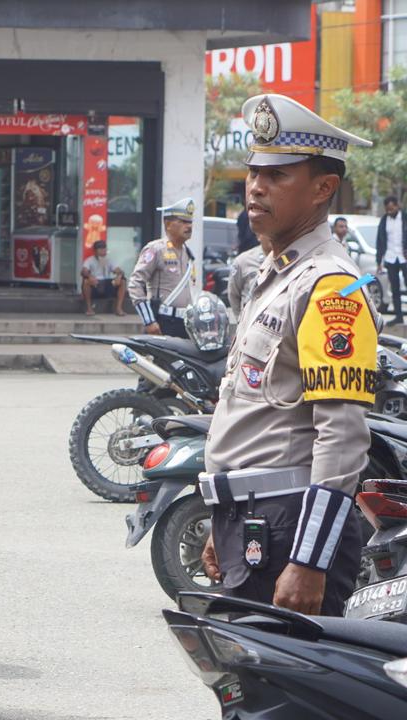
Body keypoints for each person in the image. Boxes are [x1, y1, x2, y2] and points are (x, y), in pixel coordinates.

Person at [201, 93, 377, 616]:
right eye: (254, 171)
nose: (256, 186)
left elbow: (341, 436)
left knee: (277, 669)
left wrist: (309, 560)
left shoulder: (330, 286)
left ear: (323, 188)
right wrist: (223, 518)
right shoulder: (275, 273)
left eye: (277, 175)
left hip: (290, 526)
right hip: (255, 519)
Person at [128, 197, 197, 338]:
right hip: (163, 321)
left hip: (185, 322)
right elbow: (135, 284)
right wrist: (149, 321)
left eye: (190, 222)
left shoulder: (187, 252)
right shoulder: (156, 249)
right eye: (183, 221)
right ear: (168, 224)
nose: (189, 226)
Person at [376, 196, 407, 324]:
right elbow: (380, 241)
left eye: (391, 208)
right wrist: (379, 261)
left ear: (397, 206)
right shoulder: (384, 220)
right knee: (394, 288)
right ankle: (398, 316)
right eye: (387, 209)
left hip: (404, 257)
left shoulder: (405, 218)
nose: (389, 211)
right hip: (390, 257)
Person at [80, 240, 126, 316]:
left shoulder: (109, 260)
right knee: (86, 281)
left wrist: (119, 276)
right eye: (100, 249)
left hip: (107, 284)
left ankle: (119, 309)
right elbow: (83, 271)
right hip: (95, 284)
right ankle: (89, 309)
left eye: (104, 249)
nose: (103, 251)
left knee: (122, 281)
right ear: (95, 251)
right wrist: (90, 276)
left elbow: (119, 270)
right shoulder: (89, 260)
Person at [226, 239, 270, 319]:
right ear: (258, 235)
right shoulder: (243, 261)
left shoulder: (289, 258)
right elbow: (233, 294)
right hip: (249, 320)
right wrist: (241, 319)